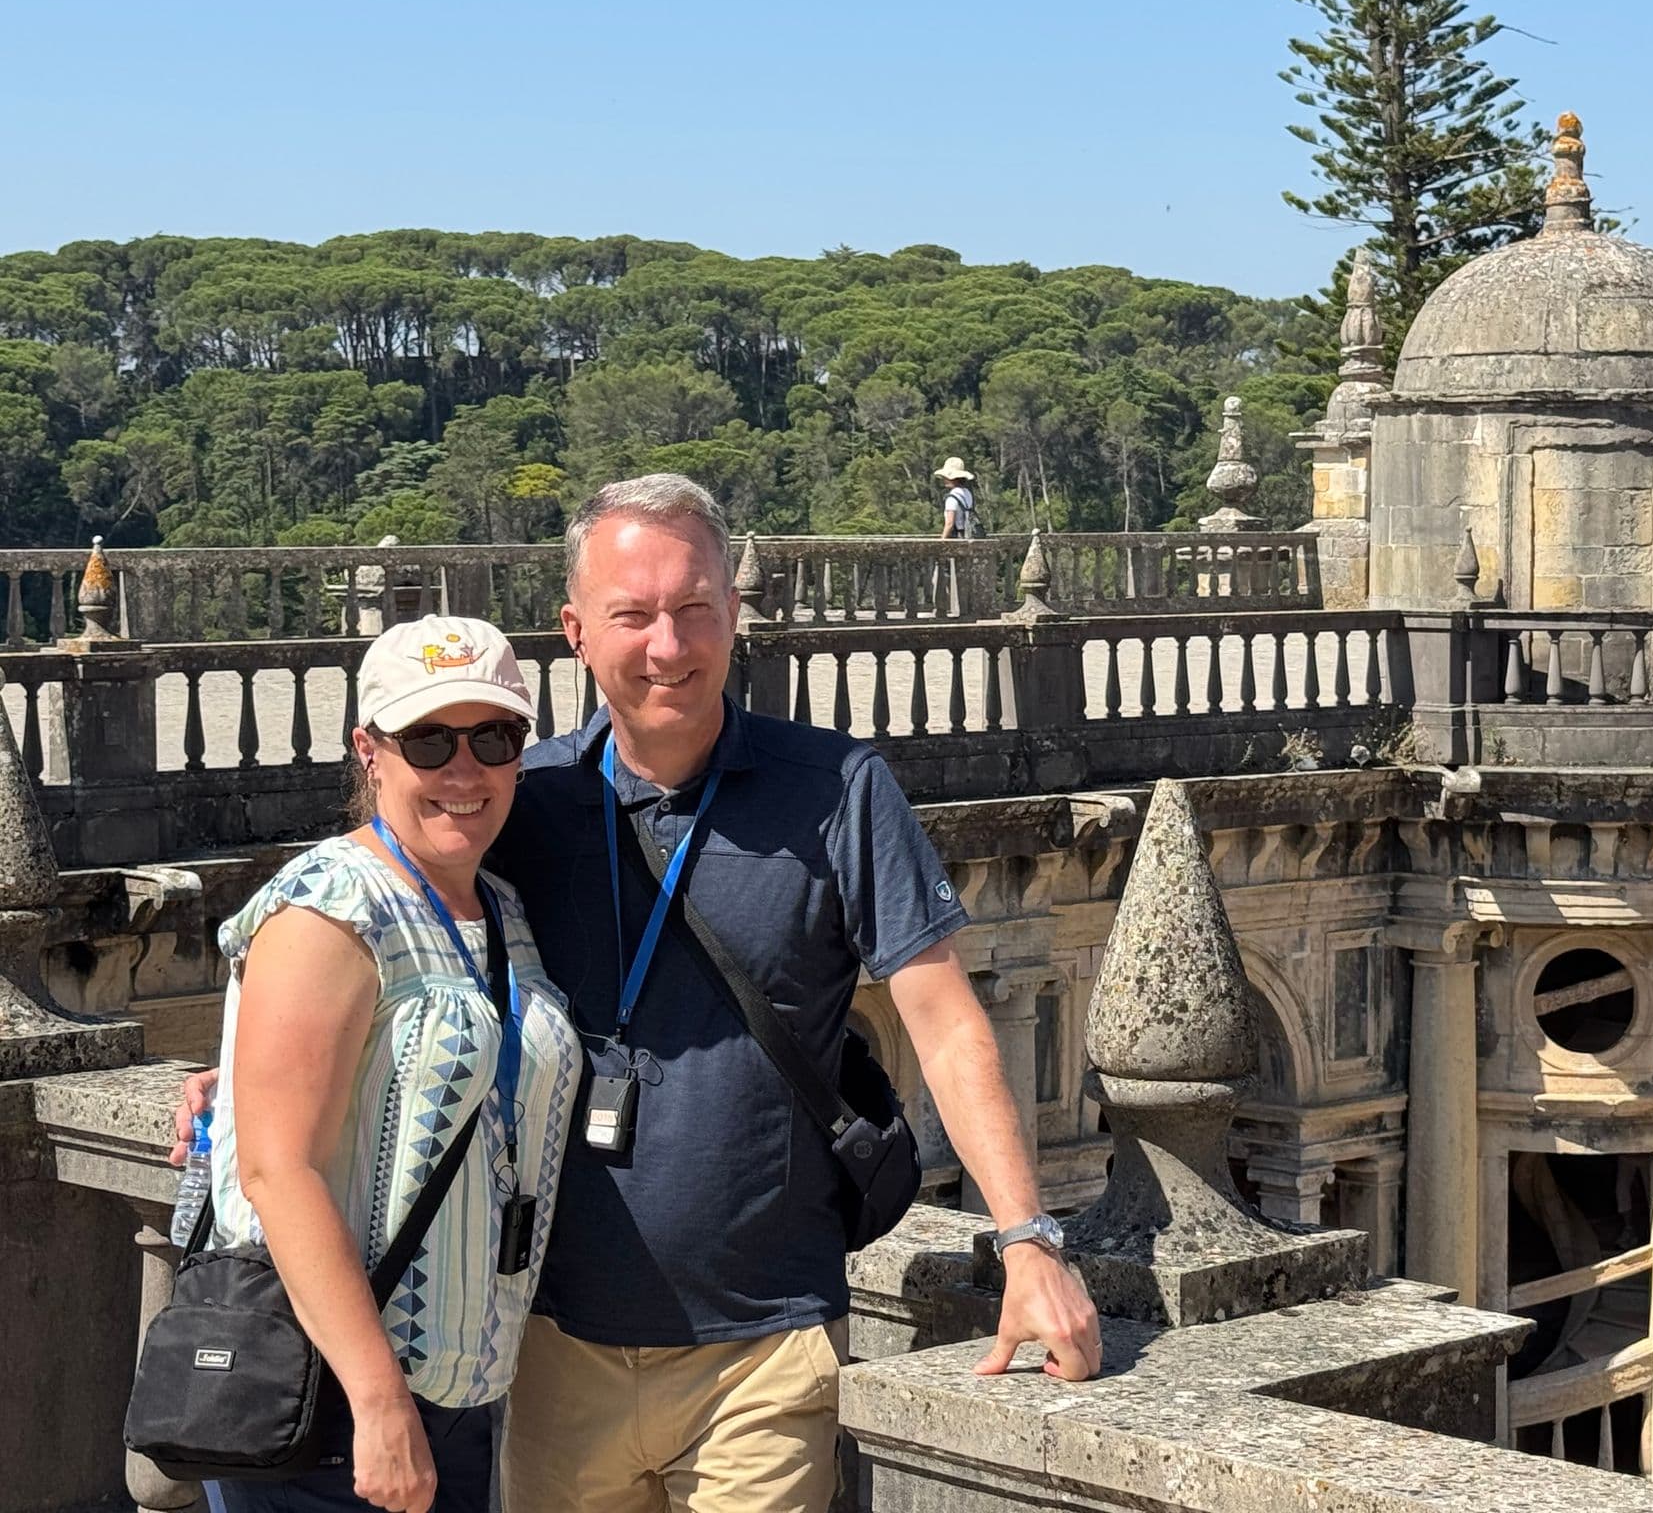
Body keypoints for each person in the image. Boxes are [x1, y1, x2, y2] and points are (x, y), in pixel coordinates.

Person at [181, 474, 1100, 1513]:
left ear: (732, 613)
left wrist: (1027, 1239)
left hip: (764, 1343)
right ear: (576, 631)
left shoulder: (838, 789)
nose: (667, 644)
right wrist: (253, 1065)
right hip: (552, 1347)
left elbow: (942, 1020)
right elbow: (382, 950)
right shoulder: (526, 805)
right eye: (632, 614)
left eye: (692, 608)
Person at [195, 615, 584, 1513]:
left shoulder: (503, 908)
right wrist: (377, 1402)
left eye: (493, 736)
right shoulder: (329, 909)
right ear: (370, 751)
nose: (463, 768)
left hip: (466, 1396)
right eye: (428, 739)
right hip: (330, 1408)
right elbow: (274, 1167)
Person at [934, 456, 976, 539]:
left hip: (957, 535)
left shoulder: (952, 497)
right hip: (968, 534)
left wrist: (942, 540)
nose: (944, 479)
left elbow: (950, 523)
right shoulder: (967, 493)